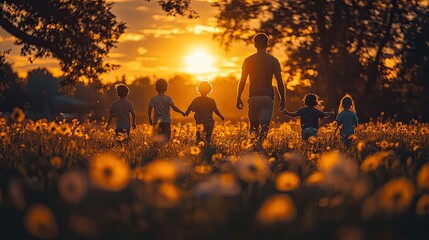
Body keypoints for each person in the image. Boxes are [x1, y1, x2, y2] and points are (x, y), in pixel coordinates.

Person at [236, 33, 286, 145]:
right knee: (265, 125)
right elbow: (279, 82)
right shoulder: (274, 61)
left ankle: (254, 146)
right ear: (267, 44)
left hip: (253, 97)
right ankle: (261, 144)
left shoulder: (248, 60)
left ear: (255, 45)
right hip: (268, 98)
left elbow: (242, 80)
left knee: (253, 126)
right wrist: (283, 99)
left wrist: (238, 97)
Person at [185, 81, 225, 146]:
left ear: (199, 89)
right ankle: (207, 148)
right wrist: (221, 116)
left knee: (199, 138)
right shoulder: (211, 101)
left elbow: (190, 108)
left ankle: (201, 151)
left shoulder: (196, 100)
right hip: (209, 122)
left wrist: (186, 113)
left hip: (199, 123)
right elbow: (215, 110)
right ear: (209, 90)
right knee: (208, 138)